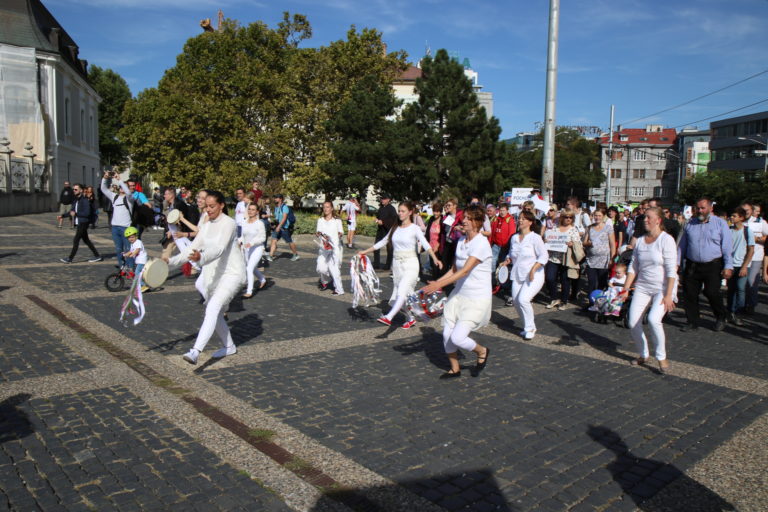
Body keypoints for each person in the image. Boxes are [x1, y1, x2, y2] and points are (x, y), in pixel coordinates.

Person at [164, 191, 245, 364]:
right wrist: (169, 261)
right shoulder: (207, 226)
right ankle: (229, 346)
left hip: (233, 273)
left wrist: (201, 258)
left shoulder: (229, 223)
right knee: (212, 309)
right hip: (214, 274)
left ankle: (195, 351)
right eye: (206, 206)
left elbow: (220, 249)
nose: (208, 210)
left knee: (213, 307)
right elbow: (190, 249)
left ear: (222, 205)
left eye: (212, 206)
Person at [420, 205, 491, 379]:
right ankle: (455, 368)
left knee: (458, 337)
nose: (464, 220)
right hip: (459, 295)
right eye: (464, 217)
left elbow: (465, 271)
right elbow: (454, 269)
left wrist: (438, 286)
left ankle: (482, 351)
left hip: (476, 298)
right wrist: (438, 282)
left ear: (477, 222)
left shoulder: (481, 243)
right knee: (447, 335)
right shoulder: (461, 241)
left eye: (468, 218)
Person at [358, 201, 442, 329]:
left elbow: (425, 244)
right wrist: (364, 251)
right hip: (397, 265)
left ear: (410, 212)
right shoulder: (394, 228)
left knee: (402, 289)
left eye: (403, 211)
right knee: (402, 296)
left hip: (411, 264)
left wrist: (435, 258)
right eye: (399, 211)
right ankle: (410, 318)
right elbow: (382, 242)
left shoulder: (415, 228)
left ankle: (389, 317)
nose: (400, 213)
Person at [619, 207, 677, 374]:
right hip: (643, 286)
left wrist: (668, 296)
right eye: (644, 218)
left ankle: (661, 357)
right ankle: (643, 354)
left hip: (663, 286)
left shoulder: (666, 240)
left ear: (658, 220)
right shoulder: (641, 241)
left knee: (653, 319)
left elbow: (671, 270)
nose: (645, 220)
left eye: (649, 218)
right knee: (632, 321)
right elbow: (634, 266)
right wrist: (625, 288)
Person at [677, 197, 733, 332]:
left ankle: (721, 316)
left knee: (712, 292)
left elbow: (726, 246)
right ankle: (692, 321)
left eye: (703, 208)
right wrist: (676, 264)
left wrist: (728, 266)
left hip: (713, 265)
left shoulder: (720, 224)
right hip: (693, 265)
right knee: (689, 294)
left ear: (710, 208)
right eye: (697, 208)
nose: (700, 211)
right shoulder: (689, 224)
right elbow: (681, 246)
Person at [498, 210, 548, 339]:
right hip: (518, 274)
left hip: (534, 275)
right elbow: (512, 254)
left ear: (530, 222)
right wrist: (507, 260)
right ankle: (527, 324)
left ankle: (530, 328)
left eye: (523, 219)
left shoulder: (535, 238)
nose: (520, 220)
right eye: (519, 218)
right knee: (516, 301)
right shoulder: (514, 238)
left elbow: (544, 256)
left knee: (523, 299)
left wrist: (533, 269)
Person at [543, 210, 582, 310]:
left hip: (566, 258)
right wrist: (546, 240)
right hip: (553, 257)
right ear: (562, 218)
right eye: (566, 217)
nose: (568, 219)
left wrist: (572, 244)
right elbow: (549, 238)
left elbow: (579, 244)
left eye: (570, 217)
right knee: (549, 278)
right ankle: (554, 298)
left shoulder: (573, 229)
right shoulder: (555, 228)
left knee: (565, 281)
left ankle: (564, 301)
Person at [726, 207, 755, 326]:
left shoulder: (747, 231)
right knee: (731, 290)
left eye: (734, 216)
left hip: (742, 265)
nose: (731, 218)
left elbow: (751, 250)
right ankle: (730, 312)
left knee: (741, 288)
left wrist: (744, 266)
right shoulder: (728, 230)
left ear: (741, 218)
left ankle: (738, 311)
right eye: (731, 216)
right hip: (730, 265)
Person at [59, 184, 102, 263]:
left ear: (81, 190)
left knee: (76, 240)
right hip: (79, 223)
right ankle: (97, 256)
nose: (74, 191)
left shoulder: (85, 201)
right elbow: (72, 212)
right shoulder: (76, 200)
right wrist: (62, 216)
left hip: (83, 222)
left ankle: (70, 258)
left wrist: (76, 214)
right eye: (73, 189)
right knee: (86, 240)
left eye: (76, 189)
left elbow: (86, 213)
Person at [100, 171, 134, 269]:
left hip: (126, 227)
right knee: (118, 249)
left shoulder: (129, 199)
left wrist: (119, 180)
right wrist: (105, 178)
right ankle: (122, 265)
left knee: (128, 248)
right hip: (115, 227)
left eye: (123, 187)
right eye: (120, 187)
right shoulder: (114, 197)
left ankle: (130, 266)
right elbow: (103, 189)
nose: (122, 188)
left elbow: (128, 192)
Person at [583, 208, 616, 296]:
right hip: (591, 260)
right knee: (591, 282)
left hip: (604, 259)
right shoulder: (589, 228)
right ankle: (591, 303)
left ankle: (600, 303)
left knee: (602, 283)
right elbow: (584, 242)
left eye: (599, 215)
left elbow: (612, 244)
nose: (597, 217)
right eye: (595, 215)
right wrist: (588, 243)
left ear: (603, 216)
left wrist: (612, 259)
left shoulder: (608, 228)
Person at [742, 202, 767, 314]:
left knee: (751, 281)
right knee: (742, 282)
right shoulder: (740, 221)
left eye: (747, 210)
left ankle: (751, 305)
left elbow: (767, 236)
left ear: (751, 210)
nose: (745, 212)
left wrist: (757, 239)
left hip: (756, 255)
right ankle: (741, 304)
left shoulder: (761, 222)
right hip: (742, 256)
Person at [316, 201, 345, 295]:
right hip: (324, 248)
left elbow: (341, 232)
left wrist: (338, 235)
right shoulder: (320, 220)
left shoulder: (337, 220)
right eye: (324, 207)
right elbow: (318, 232)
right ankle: (324, 282)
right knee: (321, 268)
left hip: (335, 248)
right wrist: (319, 234)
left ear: (332, 208)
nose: (325, 209)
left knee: (335, 269)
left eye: (328, 207)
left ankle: (338, 289)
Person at [241, 203, 268, 298]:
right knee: (251, 267)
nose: (250, 211)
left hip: (257, 248)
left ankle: (249, 291)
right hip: (246, 249)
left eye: (253, 210)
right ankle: (262, 279)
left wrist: (252, 243)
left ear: (257, 212)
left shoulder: (260, 223)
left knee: (249, 268)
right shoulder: (244, 222)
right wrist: (239, 242)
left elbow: (263, 238)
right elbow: (242, 236)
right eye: (249, 209)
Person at [266, 194, 299, 261]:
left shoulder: (284, 207)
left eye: (276, 198)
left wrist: (279, 226)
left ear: (280, 199)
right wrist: (274, 224)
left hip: (284, 228)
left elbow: (284, 218)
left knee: (289, 241)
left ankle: (296, 254)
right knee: (273, 240)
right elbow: (277, 217)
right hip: (278, 227)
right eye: (274, 198)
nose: (275, 199)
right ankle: (270, 256)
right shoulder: (276, 207)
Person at [161, 187, 191, 261]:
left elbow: (180, 219)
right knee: (167, 251)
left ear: (171, 195)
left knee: (186, 251)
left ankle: (194, 267)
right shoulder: (170, 204)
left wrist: (171, 231)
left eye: (166, 194)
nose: (164, 196)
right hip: (173, 232)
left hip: (179, 232)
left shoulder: (178, 204)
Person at [373, 193, 398, 270]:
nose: (382, 200)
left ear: (388, 200)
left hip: (388, 231)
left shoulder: (392, 209)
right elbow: (378, 216)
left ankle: (388, 265)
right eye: (381, 199)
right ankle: (376, 264)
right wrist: (377, 220)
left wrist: (383, 222)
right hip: (380, 230)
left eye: (383, 199)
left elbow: (394, 219)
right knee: (376, 247)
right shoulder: (381, 208)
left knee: (389, 249)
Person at [424, 201, 445, 280]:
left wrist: (438, 245)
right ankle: (434, 280)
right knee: (432, 264)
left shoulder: (443, 220)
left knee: (438, 264)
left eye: (437, 211)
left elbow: (443, 234)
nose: (435, 213)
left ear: (440, 212)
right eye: (434, 211)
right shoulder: (431, 219)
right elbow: (427, 231)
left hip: (439, 246)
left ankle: (438, 282)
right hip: (430, 246)